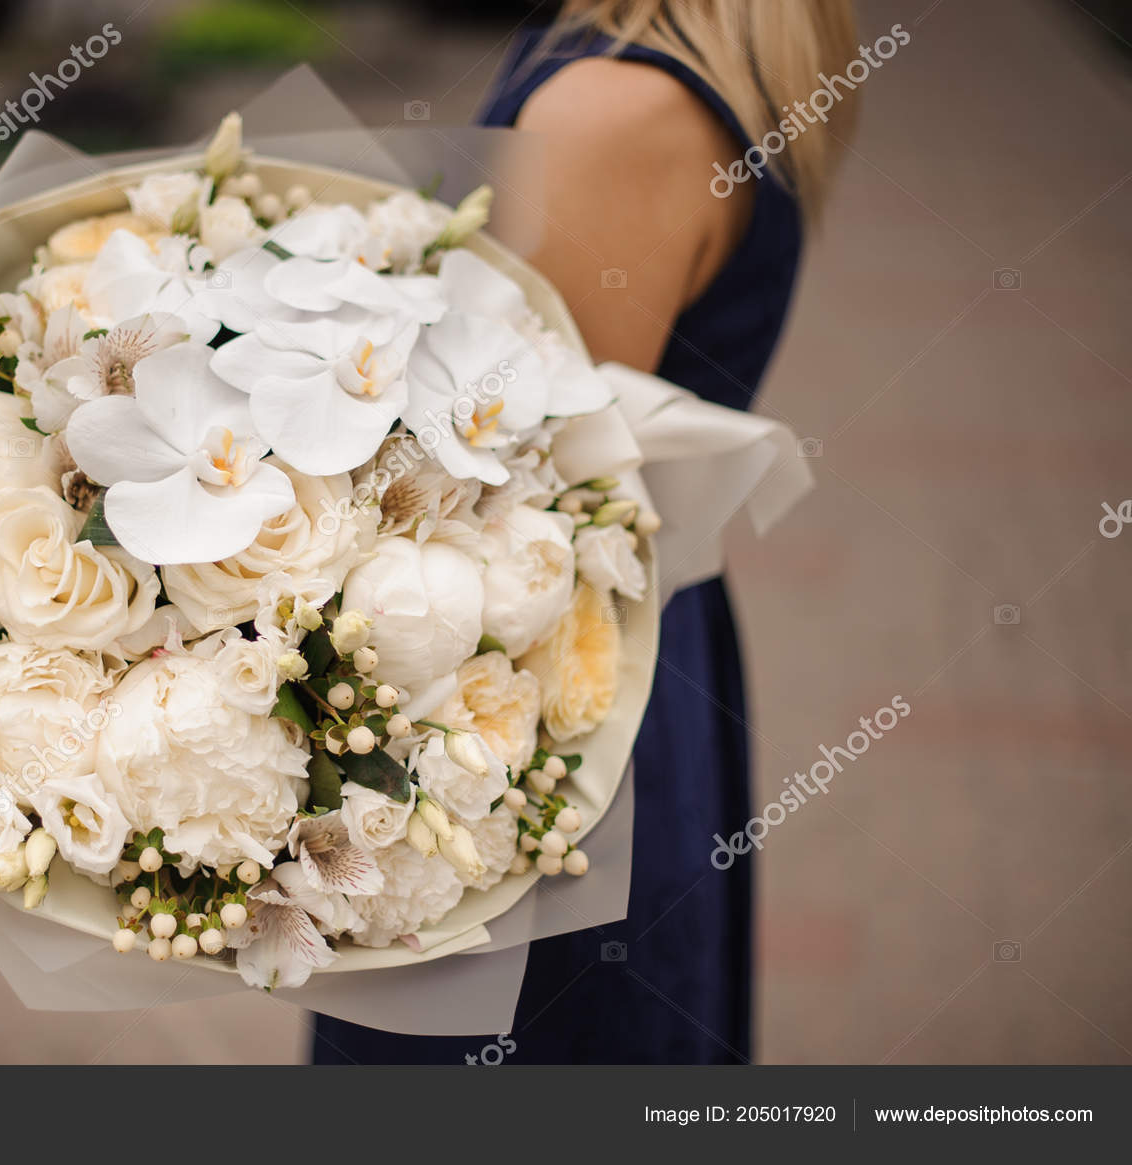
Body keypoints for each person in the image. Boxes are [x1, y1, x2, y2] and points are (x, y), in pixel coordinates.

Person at [314, 0, 859, 1063]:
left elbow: (514, 493)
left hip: (540, 702)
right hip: (621, 657)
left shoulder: (616, 109)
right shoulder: (663, 66)